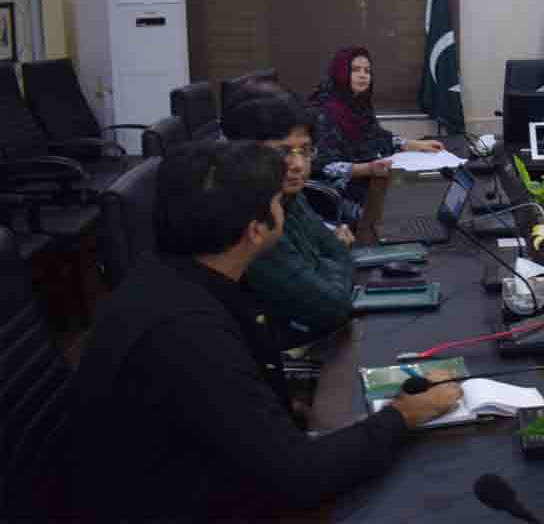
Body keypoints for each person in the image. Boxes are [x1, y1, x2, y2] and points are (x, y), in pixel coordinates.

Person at [68, 141, 462, 519]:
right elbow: (297, 478)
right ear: (256, 229)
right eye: (278, 201)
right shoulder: (187, 332)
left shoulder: (179, 274)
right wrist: (402, 416)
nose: (284, 207)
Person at [223, 95, 357, 349]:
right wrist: (335, 258)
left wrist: (326, 263)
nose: (298, 165)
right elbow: (331, 307)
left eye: (305, 151)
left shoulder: (287, 195)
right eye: (282, 153)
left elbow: (332, 248)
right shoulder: (255, 222)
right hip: (285, 346)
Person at [310, 47, 445, 210]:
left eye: (367, 71)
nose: (363, 75)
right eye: (355, 70)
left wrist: (413, 144)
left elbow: (378, 136)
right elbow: (324, 166)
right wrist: (368, 169)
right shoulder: (322, 111)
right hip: (339, 194)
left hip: (368, 178)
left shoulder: (359, 104)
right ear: (340, 73)